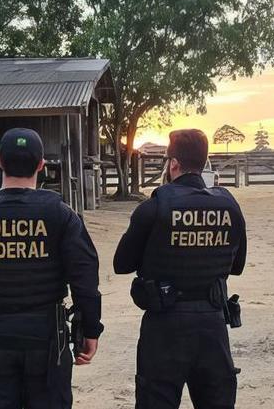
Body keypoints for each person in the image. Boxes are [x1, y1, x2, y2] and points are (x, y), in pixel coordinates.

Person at [0, 128, 103, 409]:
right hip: (48, 341)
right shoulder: (61, 215)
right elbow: (85, 278)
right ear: (41, 165)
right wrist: (91, 330)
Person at [114, 129, 248, 409]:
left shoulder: (153, 208)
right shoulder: (228, 206)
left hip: (164, 325)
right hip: (212, 324)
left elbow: (121, 264)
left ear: (173, 164)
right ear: (205, 160)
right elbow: (237, 267)